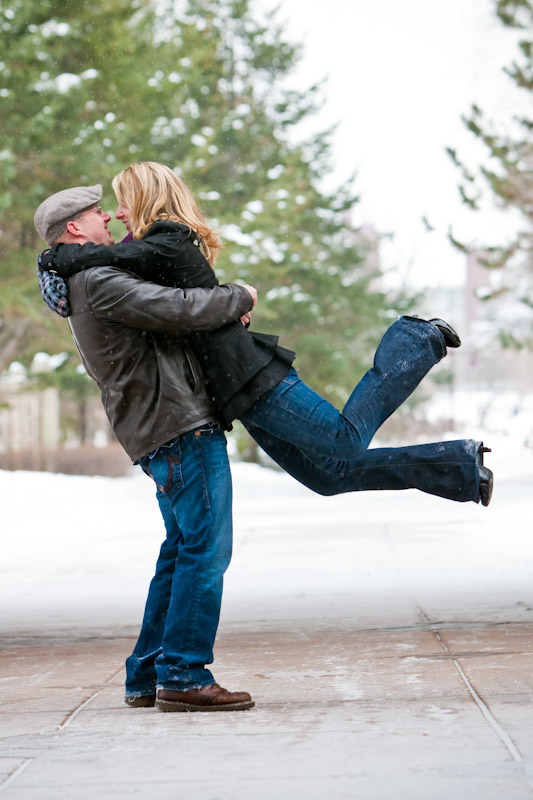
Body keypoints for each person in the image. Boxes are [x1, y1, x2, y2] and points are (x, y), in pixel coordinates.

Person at [39, 162, 493, 507]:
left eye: (121, 203)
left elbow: (95, 264)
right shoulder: (147, 249)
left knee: (346, 441)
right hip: (233, 391)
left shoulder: (167, 241)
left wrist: (53, 261)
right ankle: (460, 468)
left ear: (145, 199)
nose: (117, 215)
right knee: (329, 477)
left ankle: (416, 341)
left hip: (252, 376)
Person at [34, 184, 257, 713]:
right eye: (96, 214)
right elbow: (177, 308)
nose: (108, 217)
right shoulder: (95, 279)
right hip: (177, 425)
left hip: (159, 428)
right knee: (206, 551)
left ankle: (148, 673)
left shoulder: (84, 279)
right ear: (73, 229)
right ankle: (183, 673)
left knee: (180, 551)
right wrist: (239, 297)